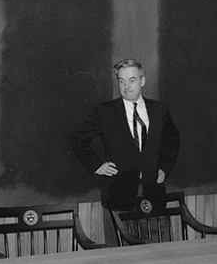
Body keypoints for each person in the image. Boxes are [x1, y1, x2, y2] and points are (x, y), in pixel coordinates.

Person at [69, 58, 180, 246]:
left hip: (152, 195)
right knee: (122, 255)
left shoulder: (159, 110)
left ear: (142, 81)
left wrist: (164, 167)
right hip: (119, 196)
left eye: (132, 80)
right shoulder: (105, 112)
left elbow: (172, 140)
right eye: (121, 81)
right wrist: (97, 166)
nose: (126, 86)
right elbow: (77, 138)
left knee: (159, 252)